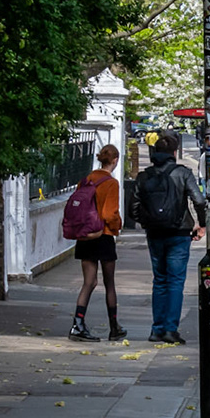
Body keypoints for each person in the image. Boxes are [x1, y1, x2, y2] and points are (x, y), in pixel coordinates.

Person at [129, 130, 204, 344]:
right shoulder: (183, 173)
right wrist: (201, 224)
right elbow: (198, 200)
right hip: (179, 232)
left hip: (155, 233)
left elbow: (131, 209)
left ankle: (156, 330)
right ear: (174, 152)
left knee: (159, 280)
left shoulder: (144, 176)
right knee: (175, 281)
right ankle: (171, 329)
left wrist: (146, 221)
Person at [69, 144, 126, 342]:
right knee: (109, 283)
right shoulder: (111, 183)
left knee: (89, 282)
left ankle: (78, 323)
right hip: (104, 235)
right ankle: (114, 326)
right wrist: (118, 224)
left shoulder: (85, 180)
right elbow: (108, 214)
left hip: (85, 236)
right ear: (115, 160)